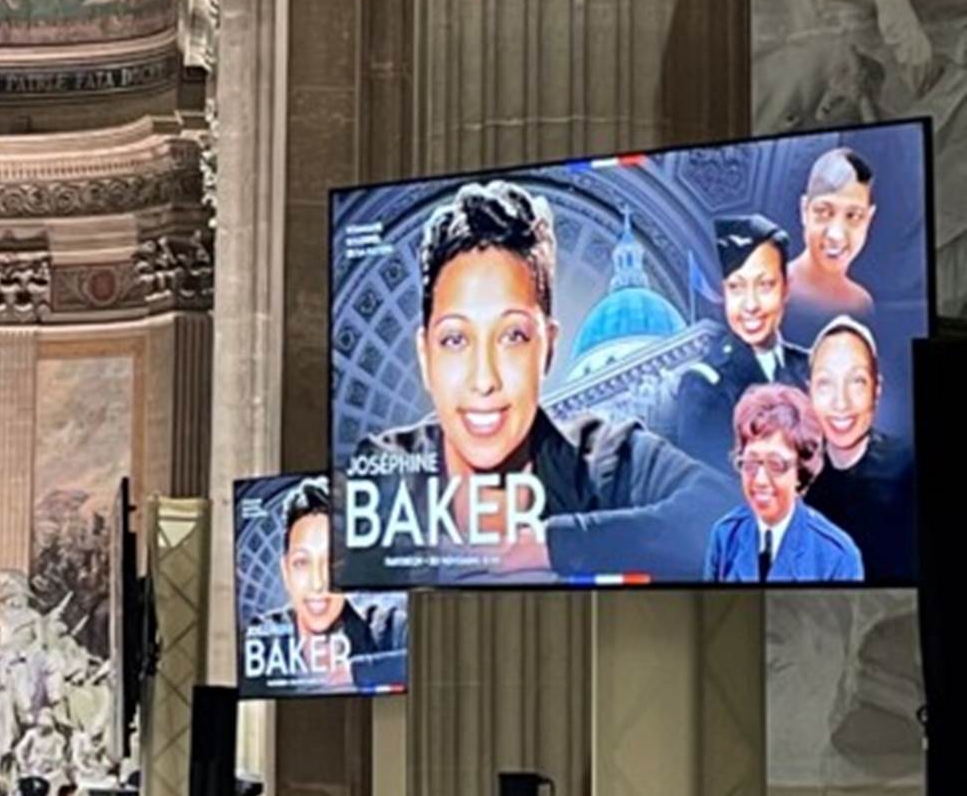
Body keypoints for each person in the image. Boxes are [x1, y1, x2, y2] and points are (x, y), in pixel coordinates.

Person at [343, 180, 734, 583]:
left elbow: (725, 514)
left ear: (547, 348)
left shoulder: (606, 460)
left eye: (513, 336)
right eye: (455, 339)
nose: (484, 379)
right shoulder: (380, 470)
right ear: (425, 357)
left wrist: (553, 545)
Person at [675, 214, 810, 472]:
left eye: (765, 285)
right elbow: (711, 492)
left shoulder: (811, 368)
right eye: (736, 287)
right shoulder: (705, 386)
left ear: (786, 287)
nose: (750, 305)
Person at [245, 477, 404, 689]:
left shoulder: (388, 629)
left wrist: (359, 671)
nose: (318, 583)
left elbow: (434, 658)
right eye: (302, 562)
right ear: (286, 572)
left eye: (332, 562)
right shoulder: (262, 638)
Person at [704, 384, 864, 582]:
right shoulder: (725, 535)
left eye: (776, 464)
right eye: (751, 463)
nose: (760, 480)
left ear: (801, 471)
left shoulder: (838, 556)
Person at [804, 317, 915, 582]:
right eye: (825, 383)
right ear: (809, 392)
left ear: (876, 389)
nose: (840, 403)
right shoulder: (794, 485)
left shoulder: (909, 467)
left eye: (857, 381)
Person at [787, 148, 877, 316]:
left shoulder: (861, 304)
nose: (836, 235)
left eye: (853, 216)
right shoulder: (771, 292)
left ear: (869, 219)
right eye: (823, 213)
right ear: (804, 210)